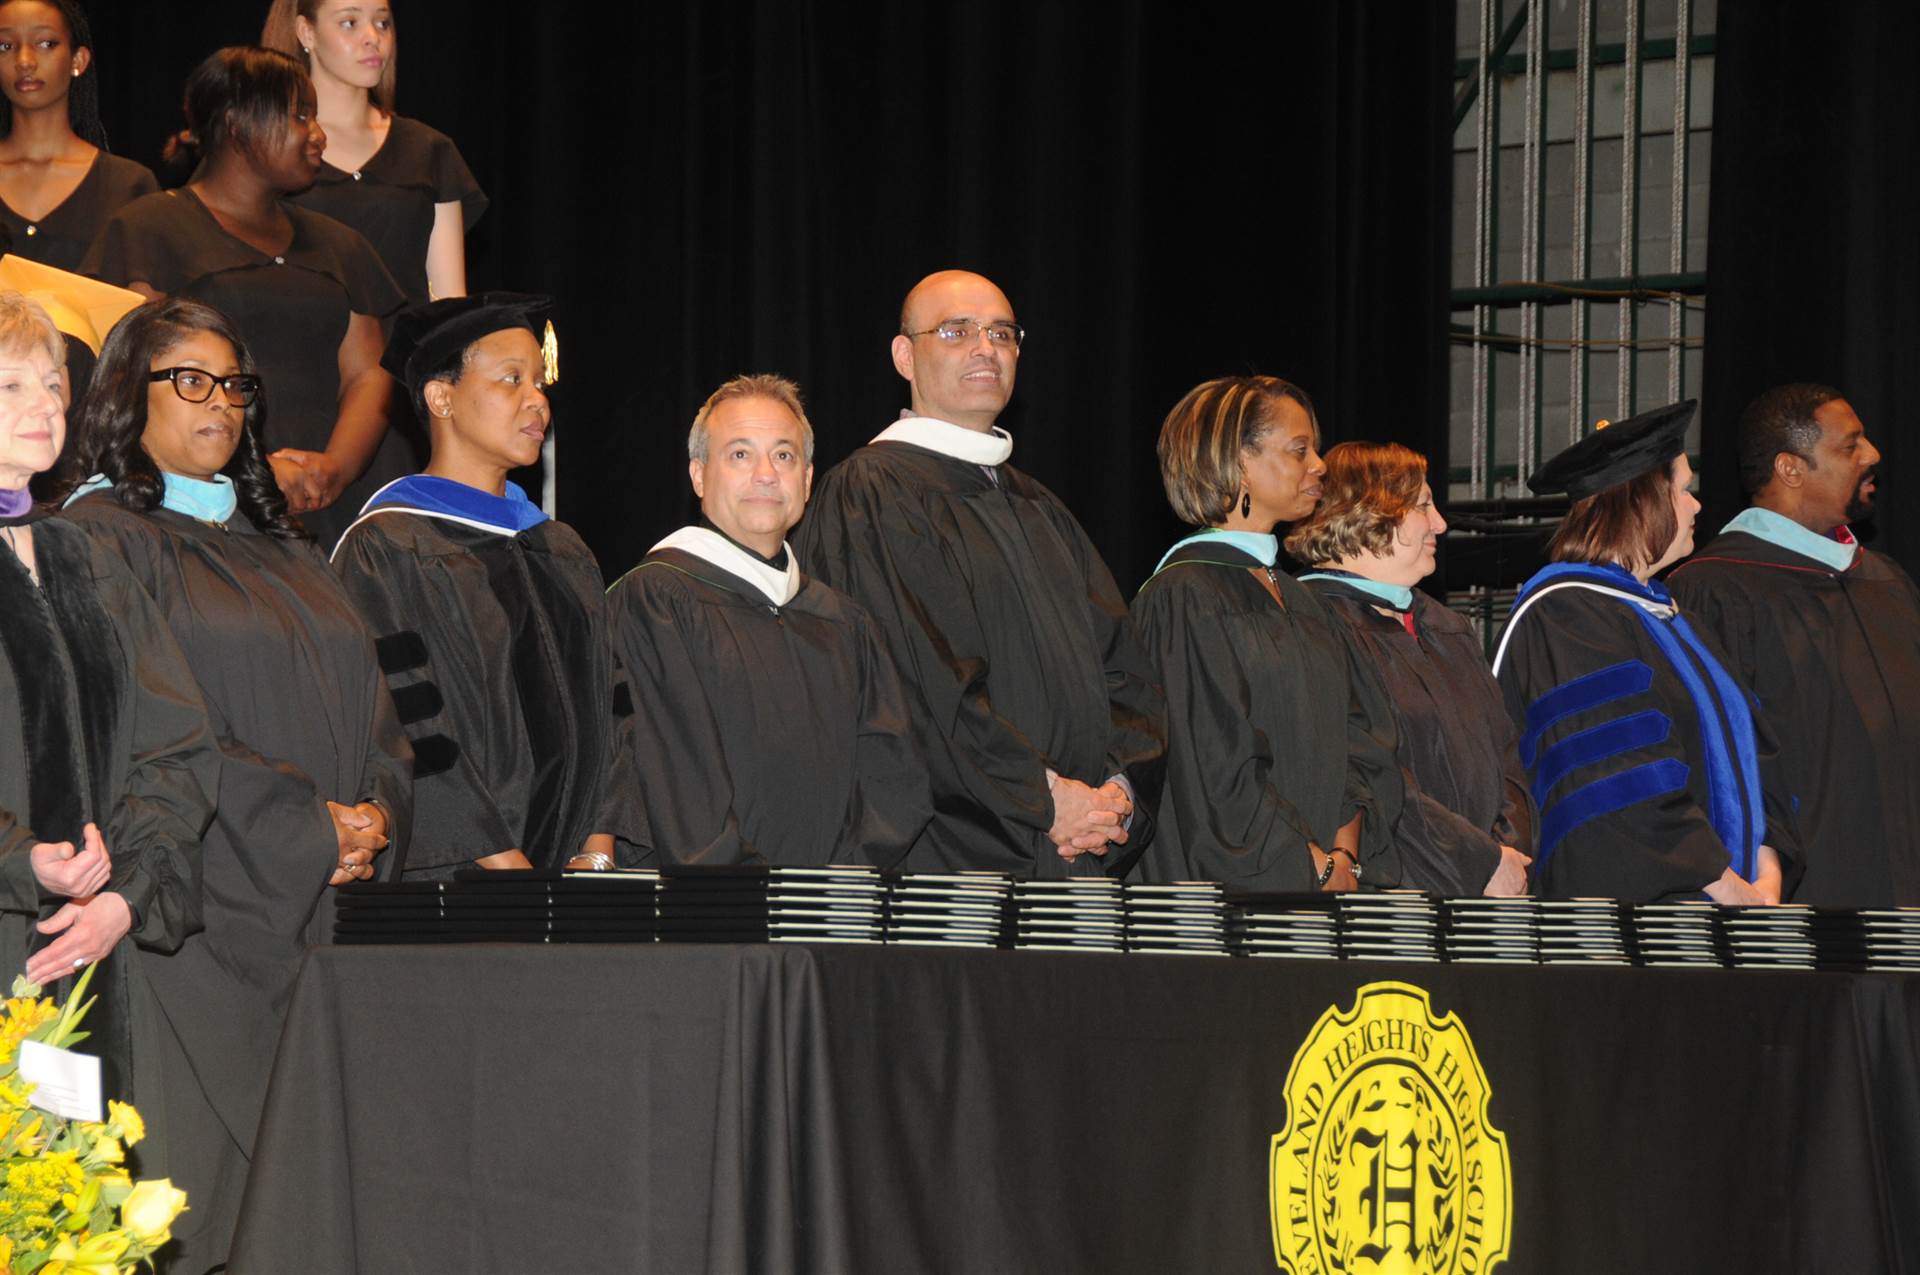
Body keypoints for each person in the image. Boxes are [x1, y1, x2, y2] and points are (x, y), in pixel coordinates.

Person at [59, 295, 411, 1273]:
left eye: (235, 385)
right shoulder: (101, 541)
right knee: (211, 1213)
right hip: (195, 942)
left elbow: (377, 705)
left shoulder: (291, 548)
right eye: (191, 381)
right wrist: (307, 825)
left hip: (322, 933)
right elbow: (152, 736)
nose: (220, 403)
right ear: (130, 393)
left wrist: (380, 811)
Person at [793, 269, 1165, 878]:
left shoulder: (1040, 508)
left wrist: (1117, 796)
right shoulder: (872, 496)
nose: (985, 347)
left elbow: (1127, 672)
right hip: (955, 871)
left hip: (1078, 854)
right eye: (956, 330)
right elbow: (921, 686)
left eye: (1002, 332)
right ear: (904, 355)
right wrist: (1046, 801)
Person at [0, 289, 213, 1128]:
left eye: (53, 385)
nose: (45, 405)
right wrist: (26, 863)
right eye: (10, 385)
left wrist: (127, 894)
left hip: (94, 954)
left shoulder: (84, 554)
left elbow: (179, 745)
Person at [333, 292, 628, 877]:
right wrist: (501, 865)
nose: (536, 400)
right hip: (454, 880)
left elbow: (613, 706)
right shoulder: (387, 545)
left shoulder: (560, 549)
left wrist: (597, 851)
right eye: (510, 379)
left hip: (578, 877)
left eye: (539, 383)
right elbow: (406, 720)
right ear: (442, 397)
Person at [79, 46, 404, 549]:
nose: (318, 134)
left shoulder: (340, 243)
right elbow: (140, 382)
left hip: (329, 505)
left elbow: (368, 373)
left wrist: (334, 470)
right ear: (237, 124)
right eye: (299, 116)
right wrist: (254, 469)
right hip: (206, 509)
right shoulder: (148, 228)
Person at [608, 374, 929, 867]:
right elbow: (677, 783)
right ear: (698, 474)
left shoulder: (845, 623)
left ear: (806, 478)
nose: (765, 474)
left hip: (833, 920)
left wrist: (836, 893)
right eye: (740, 454)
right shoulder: (656, 600)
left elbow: (894, 779)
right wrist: (760, 899)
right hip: (713, 922)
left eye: (784, 456)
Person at [1493, 400, 1798, 903]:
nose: (1698, 505)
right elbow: (1620, 780)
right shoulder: (1565, 615)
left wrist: (1767, 872)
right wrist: (1728, 887)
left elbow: (1755, 751)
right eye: (1682, 489)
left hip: (1731, 914)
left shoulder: (1677, 620)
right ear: (1640, 502)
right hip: (1634, 931)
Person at [1130, 376, 1399, 892]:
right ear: (1239, 462)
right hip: (1230, 906)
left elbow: (1360, 740)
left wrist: (1344, 855)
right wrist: (1310, 866)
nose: (1319, 465)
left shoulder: (1304, 601)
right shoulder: (1184, 596)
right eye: (1300, 450)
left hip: (1328, 890)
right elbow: (1214, 765)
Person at [1668, 385, 1920, 906]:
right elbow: (1717, 774)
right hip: (1814, 925)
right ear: (1790, 468)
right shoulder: (1712, 592)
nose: (1873, 455)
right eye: (1850, 446)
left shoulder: (1886, 582)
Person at [1289, 441, 1533, 897]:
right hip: (1394, 902)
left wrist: (1507, 855)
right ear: (1366, 513)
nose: (1440, 522)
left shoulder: (1446, 628)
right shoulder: (1312, 626)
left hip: (1490, 894)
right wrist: (1476, 862)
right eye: (1423, 506)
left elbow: (1507, 761)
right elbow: (1371, 778)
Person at [263, 0, 487, 307]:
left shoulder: (428, 150)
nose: (373, 37)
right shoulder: (267, 146)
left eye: (382, 23)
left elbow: (447, 299)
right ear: (306, 32)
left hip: (406, 352)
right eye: (350, 23)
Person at [0, 0, 156, 272]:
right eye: (5, 46)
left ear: (78, 60)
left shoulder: (127, 185)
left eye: (45, 43)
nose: (24, 61)